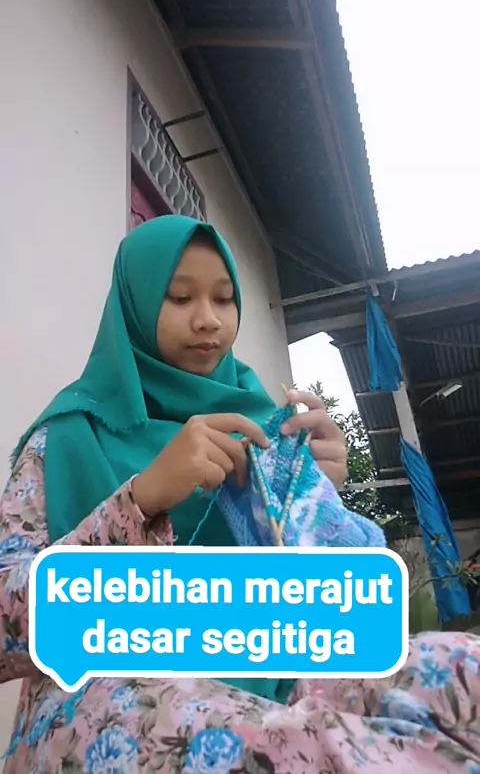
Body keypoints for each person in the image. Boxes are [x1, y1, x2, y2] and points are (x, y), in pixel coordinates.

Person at [1, 215, 479, 773]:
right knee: (295, 745)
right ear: (133, 304)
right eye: (180, 297)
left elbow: (341, 613)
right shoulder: (66, 439)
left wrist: (313, 501)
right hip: (108, 687)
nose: (208, 319)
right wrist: (141, 500)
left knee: (461, 672)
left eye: (224, 299)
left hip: (277, 669)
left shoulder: (256, 423)